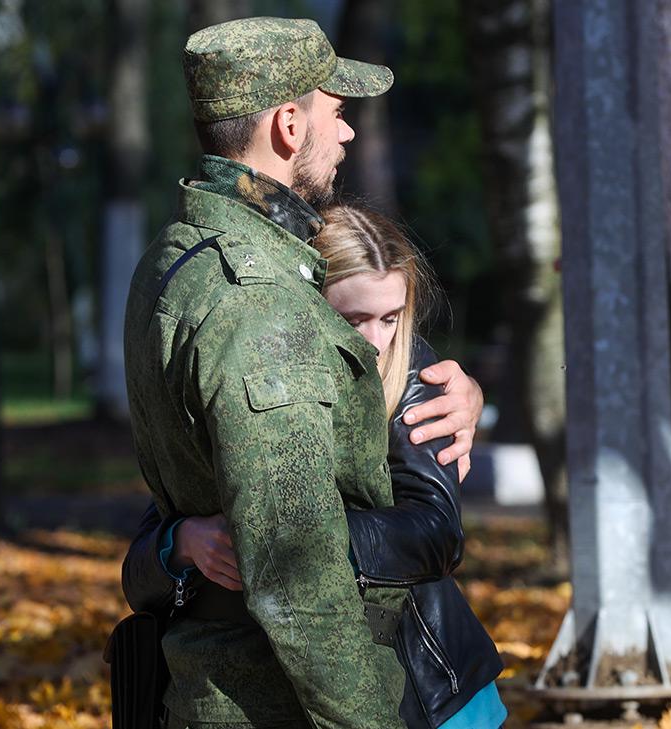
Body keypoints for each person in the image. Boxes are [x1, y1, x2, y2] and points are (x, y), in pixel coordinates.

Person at [121, 17, 482, 729]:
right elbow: (301, 583)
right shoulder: (261, 305)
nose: (346, 134)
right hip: (273, 703)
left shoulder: (173, 258)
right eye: (337, 113)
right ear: (290, 124)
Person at [123, 205, 507, 728]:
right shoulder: (260, 370)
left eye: (390, 318)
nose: (375, 343)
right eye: (352, 320)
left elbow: (439, 532)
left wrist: (288, 534)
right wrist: (184, 543)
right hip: (265, 688)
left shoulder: (415, 373)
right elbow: (139, 573)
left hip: (426, 687)